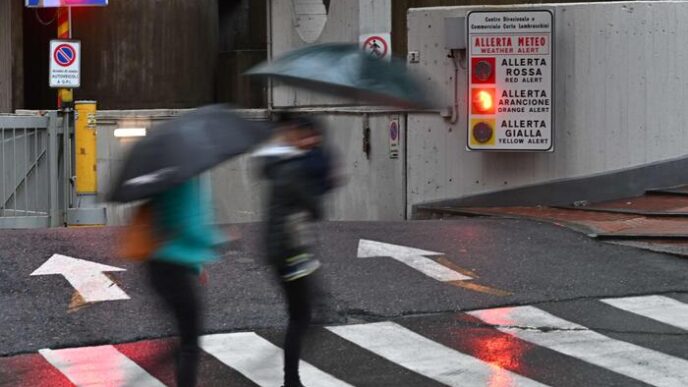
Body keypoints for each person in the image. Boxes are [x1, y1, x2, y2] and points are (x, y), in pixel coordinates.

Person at [257, 115, 338, 387]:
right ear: (294, 136)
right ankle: (291, 380)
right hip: (290, 251)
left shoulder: (281, 165)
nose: (311, 141)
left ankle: (292, 377)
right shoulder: (293, 169)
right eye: (305, 136)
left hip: (288, 249)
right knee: (300, 316)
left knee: (304, 310)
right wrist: (324, 179)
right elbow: (316, 208)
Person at [146, 177, 227, 387]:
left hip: (156, 264)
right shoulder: (186, 183)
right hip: (175, 268)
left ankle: (169, 355)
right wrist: (220, 240)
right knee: (190, 343)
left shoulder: (160, 181)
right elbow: (191, 228)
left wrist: (195, 265)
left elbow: (165, 226)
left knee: (184, 336)